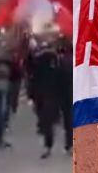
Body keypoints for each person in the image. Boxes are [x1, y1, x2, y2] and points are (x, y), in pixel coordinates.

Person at [27, 25, 72, 158]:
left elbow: (33, 74)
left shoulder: (65, 57)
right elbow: (33, 73)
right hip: (55, 91)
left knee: (62, 119)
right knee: (57, 119)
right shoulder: (44, 57)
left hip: (59, 91)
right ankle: (57, 145)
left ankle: (59, 145)